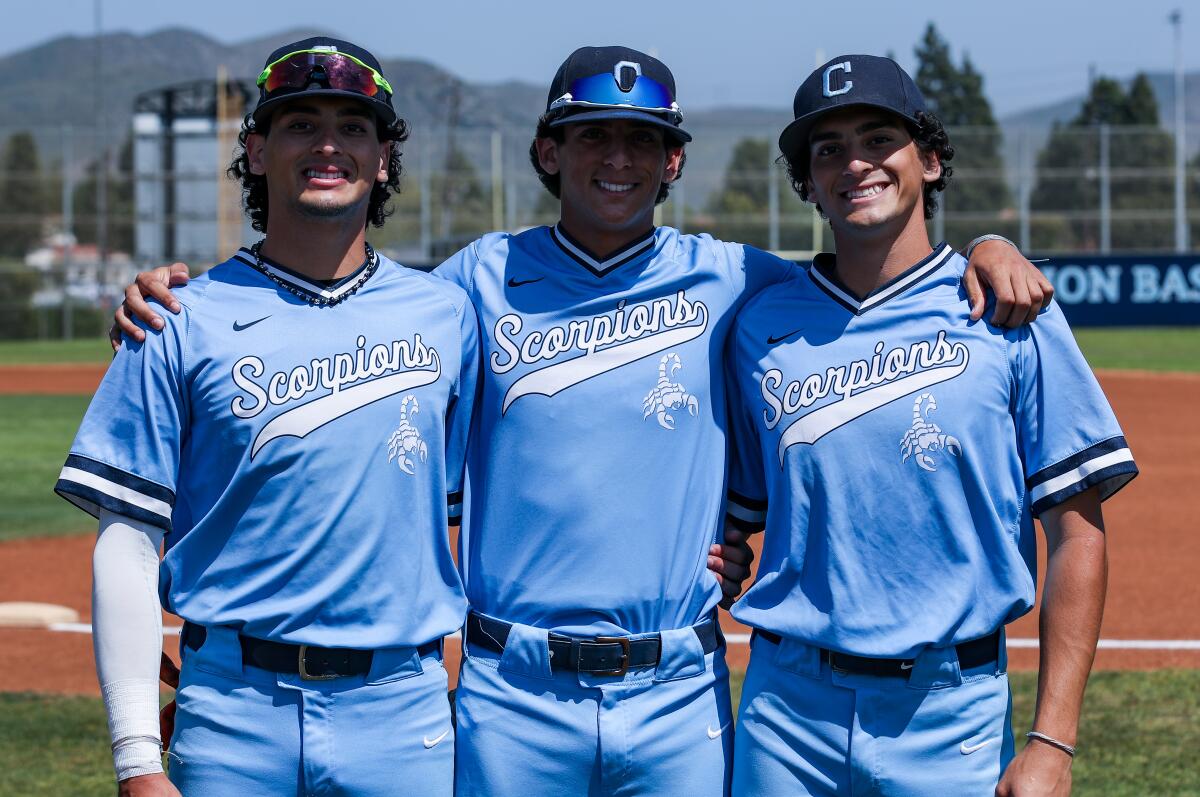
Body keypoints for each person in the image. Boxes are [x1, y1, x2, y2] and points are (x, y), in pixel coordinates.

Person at [114, 46, 1051, 796]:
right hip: (510, 691)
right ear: (549, 152)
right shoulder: (468, 288)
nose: (618, 159)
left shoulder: (737, 283)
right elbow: (339, 309)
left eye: (642, 140)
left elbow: (866, 281)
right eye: (592, 136)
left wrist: (986, 246)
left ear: (674, 158)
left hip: (677, 689)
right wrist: (181, 290)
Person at [56, 37, 477, 796]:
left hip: (400, 714)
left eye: (354, 127)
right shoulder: (175, 318)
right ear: (254, 151)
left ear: (384, 158)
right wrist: (136, 758)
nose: (327, 144)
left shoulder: (449, 314)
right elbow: (126, 541)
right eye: (298, 124)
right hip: (230, 713)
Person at [724, 55, 1139, 796]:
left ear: (932, 158)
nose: (856, 162)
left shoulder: (1013, 312)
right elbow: (730, 512)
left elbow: (1078, 532)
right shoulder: (762, 323)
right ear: (809, 184)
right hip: (786, 716)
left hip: (953, 714)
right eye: (829, 150)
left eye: (878, 137)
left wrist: (1053, 741)